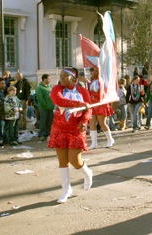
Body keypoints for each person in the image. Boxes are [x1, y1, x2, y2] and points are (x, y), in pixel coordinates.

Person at [48, 67, 93, 203]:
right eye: (61, 76)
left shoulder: (82, 91)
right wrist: (81, 104)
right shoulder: (57, 89)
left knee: (75, 160)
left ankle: (87, 173)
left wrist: (84, 122)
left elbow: (88, 109)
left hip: (76, 129)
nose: (61, 78)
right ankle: (66, 189)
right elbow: (59, 101)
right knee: (63, 161)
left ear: (73, 79)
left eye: (65, 76)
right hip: (59, 128)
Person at [88, 68, 115, 149]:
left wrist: (92, 95)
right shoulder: (92, 81)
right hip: (92, 105)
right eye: (93, 71)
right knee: (92, 123)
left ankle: (110, 139)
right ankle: (94, 142)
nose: (93, 73)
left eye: (96, 71)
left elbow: (103, 94)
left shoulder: (102, 82)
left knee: (102, 123)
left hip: (101, 104)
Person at [36, 74, 54, 141]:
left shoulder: (49, 87)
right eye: (48, 79)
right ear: (44, 79)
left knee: (49, 122)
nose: (50, 80)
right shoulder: (40, 88)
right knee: (43, 122)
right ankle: (42, 134)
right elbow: (40, 98)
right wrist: (45, 104)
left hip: (50, 108)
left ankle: (48, 133)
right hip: (44, 108)